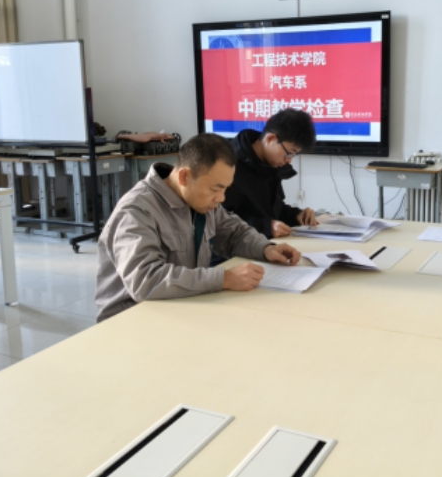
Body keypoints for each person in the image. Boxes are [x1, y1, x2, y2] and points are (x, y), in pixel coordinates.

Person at [96, 133, 301, 322]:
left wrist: (265, 248)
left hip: (180, 309)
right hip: (131, 322)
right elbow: (145, 280)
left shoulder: (199, 200)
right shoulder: (136, 211)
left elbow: (234, 232)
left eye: (225, 189)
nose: (221, 198)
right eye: (215, 189)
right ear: (184, 177)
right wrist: (223, 279)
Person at [223, 108, 318, 238]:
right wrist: (265, 227)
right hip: (237, 247)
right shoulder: (228, 164)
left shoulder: (270, 164)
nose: (289, 160)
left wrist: (296, 215)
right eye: (289, 153)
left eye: (294, 155)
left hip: (265, 243)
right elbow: (221, 220)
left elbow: (274, 211)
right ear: (270, 139)